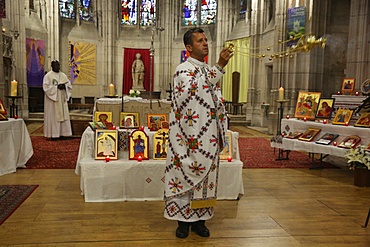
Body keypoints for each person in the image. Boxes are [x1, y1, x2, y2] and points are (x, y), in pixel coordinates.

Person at [164, 27, 232, 238]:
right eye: (200, 40)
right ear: (188, 47)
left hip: (208, 135)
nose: (205, 43)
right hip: (186, 137)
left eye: (206, 40)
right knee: (184, 175)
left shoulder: (206, 69)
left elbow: (214, 98)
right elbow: (192, 91)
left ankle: (200, 221)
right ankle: (183, 223)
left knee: (206, 179)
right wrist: (220, 66)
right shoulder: (182, 69)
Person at [43, 60, 72, 140]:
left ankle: (63, 133)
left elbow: (69, 86)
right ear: (52, 66)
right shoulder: (48, 76)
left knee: (63, 116)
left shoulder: (63, 75)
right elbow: (46, 88)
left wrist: (64, 87)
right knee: (54, 117)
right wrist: (56, 88)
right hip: (53, 101)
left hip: (62, 100)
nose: (58, 67)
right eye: (56, 65)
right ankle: (54, 134)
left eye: (58, 65)